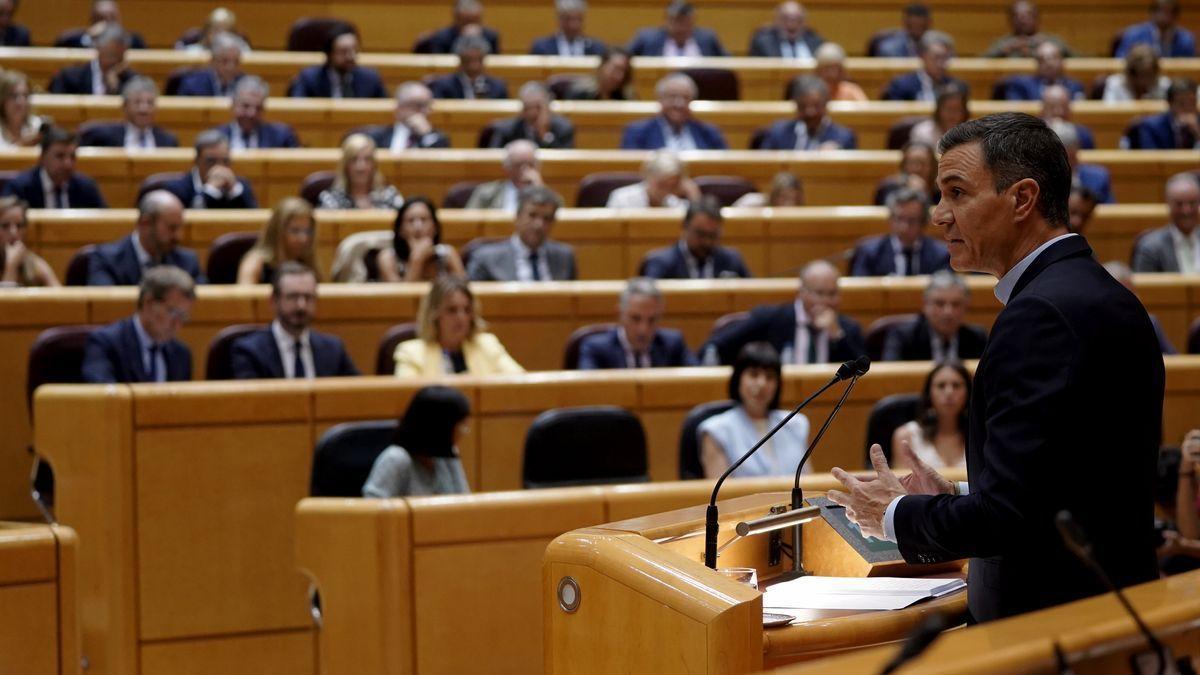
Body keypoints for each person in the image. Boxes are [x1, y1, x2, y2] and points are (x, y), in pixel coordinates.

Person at [827, 112, 1165, 623]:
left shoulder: (1040, 315)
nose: (939, 215)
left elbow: (1010, 519)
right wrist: (958, 495)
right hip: (1109, 610)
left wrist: (893, 515)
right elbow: (1070, 484)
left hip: (1051, 626)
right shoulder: (1103, 294)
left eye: (957, 193)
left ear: (1022, 199)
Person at [705, 259, 865, 365]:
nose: (826, 301)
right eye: (819, 293)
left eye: (832, 294)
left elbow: (864, 377)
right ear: (801, 292)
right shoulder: (770, 319)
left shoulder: (848, 330)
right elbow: (718, 345)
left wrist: (837, 337)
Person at [699, 342, 810, 479]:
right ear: (738, 379)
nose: (761, 384)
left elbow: (807, 483)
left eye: (769, 377)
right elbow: (720, 496)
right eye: (753, 374)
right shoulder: (716, 431)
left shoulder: (796, 424)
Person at [230, 262, 359, 379]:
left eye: (308, 297)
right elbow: (250, 402)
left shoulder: (333, 349)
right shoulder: (249, 351)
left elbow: (356, 395)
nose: (301, 306)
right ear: (273, 301)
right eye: (293, 297)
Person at [81, 265, 195, 383]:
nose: (177, 324)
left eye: (183, 316)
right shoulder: (105, 344)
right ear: (148, 303)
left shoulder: (181, 354)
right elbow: (104, 395)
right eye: (172, 312)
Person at [393, 275, 524, 376]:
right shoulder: (411, 354)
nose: (461, 318)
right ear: (434, 314)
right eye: (452, 310)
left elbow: (519, 384)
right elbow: (406, 400)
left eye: (467, 310)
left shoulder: (487, 345)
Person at [362, 386, 472, 498]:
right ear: (441, 427)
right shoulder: (396, 459)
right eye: (461, 425)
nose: (465, 431)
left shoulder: (449, 454)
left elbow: (465, 501)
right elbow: (373, 508)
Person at [577, 277, 697, 369]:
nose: (643, 329)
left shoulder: (673, 345)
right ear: (619, 314)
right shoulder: (596, 349)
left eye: (652, 320)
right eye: (635, 319)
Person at [87, 190, 203, 285]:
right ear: (145, 223)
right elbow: (105, 307)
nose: (178, 236)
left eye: (180, 228)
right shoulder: (106, 260)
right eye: (172, 228)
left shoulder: (187, 262)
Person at [467, 186, 577, 281]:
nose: (538, 225)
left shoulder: (565, 257)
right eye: (532, 215)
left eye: (547, 218)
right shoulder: (486, 259)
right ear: (517, 217)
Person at [881, 271, 988, 361]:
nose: (948, 312)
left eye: (956, 304)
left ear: (966, 307)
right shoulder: (902, 337)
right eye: (940, 303)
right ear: (925, 305)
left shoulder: (977, 338)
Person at [639, 196, 751, 280]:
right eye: (700, 234)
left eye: (713, 235)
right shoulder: (660, 263)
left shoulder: (731, 260)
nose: (707, 242)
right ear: (684, 227)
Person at [851, 186, 950, 277]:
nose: (904, 227)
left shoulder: (940, 255)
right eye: (899, 219)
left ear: (923, 222)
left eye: (912, 220)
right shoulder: (869, 253)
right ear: (890, 219)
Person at [891, 362, 970, 470]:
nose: (949, 392)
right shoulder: (905, 436)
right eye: (941, 386)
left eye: (956, 386)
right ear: (929, 393)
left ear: (969, 393)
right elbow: (899, 486)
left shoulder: (982, 435)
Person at [2, 127, 107, 208]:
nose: (68, 164)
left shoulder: (86, 188)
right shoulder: (20, 188)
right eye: (60, 156)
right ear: (42, 158)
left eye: (72, 157)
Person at [620, 74, 727, 151]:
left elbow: (724, 168)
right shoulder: (637, 132)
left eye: (685, 98)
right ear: (660, 100)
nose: (679, 104)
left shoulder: (709, 132)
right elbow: (630, 171)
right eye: (672, 97)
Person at [376, 196, 466, 282]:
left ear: (435, 227)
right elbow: (398, 297)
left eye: (424, 220)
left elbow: (464, 292)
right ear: (400, 230)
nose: (418, 227)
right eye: (410, 221)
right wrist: (417, 259)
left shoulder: (447, 255)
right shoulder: (388, 259)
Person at [161, 130, 258, 209]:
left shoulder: (241, 186)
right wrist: (210, 191)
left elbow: (253, 220)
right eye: (211, 161)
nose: (219, 167)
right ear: (196, 161)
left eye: (225, 161)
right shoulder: (177, 189)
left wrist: (234, 192)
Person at [237, 197, 321, 285]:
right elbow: (245, 297)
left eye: (308, 231)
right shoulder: (255, 265)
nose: (303, 238)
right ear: (278, 231)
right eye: (295, 231)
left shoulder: (308, 262)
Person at [759, 75, 857, 151]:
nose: (810, 112)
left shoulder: (844, 137)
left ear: (826, 104)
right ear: (796, 105)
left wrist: (837, 154)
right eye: (803, 106)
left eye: (816, 106)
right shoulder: (778, 133)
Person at [78, 77, 179, 149]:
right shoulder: (102, 137)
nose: (144, 109)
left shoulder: (168, 141)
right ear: (125, 107)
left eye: (150, 103)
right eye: (137, 102)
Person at [287, 25, 386, 99]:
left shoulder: (371, 79)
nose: (350, 56)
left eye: (354, 50)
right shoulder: (309, 79)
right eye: (343, 52)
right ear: (329, 54)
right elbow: (297, 109)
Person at [1102, 260, 1177, 354]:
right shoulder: (1095, 328)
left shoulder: (1150, 322)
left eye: (1133, 292)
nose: (1135, 299)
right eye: (1125, 295)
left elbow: (1173, 357)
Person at [1131, 172, 1200, 273]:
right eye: (1179, 204)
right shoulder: (1150, 246)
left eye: (1192, 203)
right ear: (1168, 204)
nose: (1186, 211)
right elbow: (1143, 287)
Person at [208, 76, 301, 149]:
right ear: (233, 105)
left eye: (258, 108)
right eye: (246, 106)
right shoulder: (215, 137)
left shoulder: (282, 137)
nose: (251, 113)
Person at [317, 134, 404, 210]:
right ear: (345, 165)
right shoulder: (330, 199)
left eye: (367, 159)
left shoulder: (390, 197)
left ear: (374, 164)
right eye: (354, 159)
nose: (361, 167)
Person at [48, 24, 138, 95]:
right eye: (111, 55)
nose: (114, 61)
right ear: (98, 48)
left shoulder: (131, 80)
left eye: (120, 57)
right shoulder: (69, 77)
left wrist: (115, 88)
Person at [487, 81, 575, 149]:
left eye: (537, 107)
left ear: (547, 107)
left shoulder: (564, 129)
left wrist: (544, 136)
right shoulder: (506, 130)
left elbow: (564, 165)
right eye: (527, 108)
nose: (532, 113)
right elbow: (495, 160)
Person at [882, 31, 967, 102]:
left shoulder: (957, 87)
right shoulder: (902, 86)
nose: (941, 63)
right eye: (936, 57)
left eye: (945, 58)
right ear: (922, 56)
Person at [366, 82, 450, 151]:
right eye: (418, 105)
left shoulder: (438, 140)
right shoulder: (375, 137)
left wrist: (426, 135)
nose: (426, 111)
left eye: (428, 106)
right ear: (400, 108)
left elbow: (438, 166)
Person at [628, 1, 728, 57]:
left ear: (693, 22)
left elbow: (729, 62)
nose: (680, 28)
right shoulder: (647, 38)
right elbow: (625, 57)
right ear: (665, 21)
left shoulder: (707, 38)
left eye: (685, 22)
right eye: (675, 21)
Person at [465, 139, 542, 211]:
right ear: (507, 167)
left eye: (531, 165)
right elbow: (468, 221)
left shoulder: (545, 193)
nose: (525, 170)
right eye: (519, 165)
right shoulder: (486, 194)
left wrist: (539, 190)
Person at [606, 150, 699, 208]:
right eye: (661, 185)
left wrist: (693, 193)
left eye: (673, 187)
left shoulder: (674, 204)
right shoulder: (621, 199)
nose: (666, 192)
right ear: (648, 176)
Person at [1049, 120, 1113, 205]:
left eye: (1069, 147)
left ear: (1076, 148)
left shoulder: (1098, 178)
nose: (1064, 155)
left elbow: (1110, 213)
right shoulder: (1039, 180)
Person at [428, 34, 509, 100]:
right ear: (460, 59)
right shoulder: (444, 86)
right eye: (469, 60)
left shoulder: (498, 87)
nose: (474, 65)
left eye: (478, 59)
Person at [0, 197, 58, 287]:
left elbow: (60, 299)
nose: (13, 232)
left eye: (19, 226)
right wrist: (11, 267)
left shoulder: (36, 266)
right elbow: (5, 301)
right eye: (5, 226)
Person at [983, 0, 1073, 58]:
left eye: (1027, 16)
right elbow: (982, 61)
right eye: (1018, 17)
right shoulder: (1003, 42)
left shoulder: (1051, 40)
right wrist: (1005, 50)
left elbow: (1077, 58)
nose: (1022, 21)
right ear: (1010, 20)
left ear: (1037, 18)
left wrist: (1042, 48)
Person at [1127, 78, 1199, 150]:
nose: (1188, 108)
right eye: (1182, 104)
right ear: (1170, 104)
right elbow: (1150, 157)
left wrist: (1197, 132)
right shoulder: (1151, 127)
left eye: (1192, 103)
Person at [998, 41, 1084, 101]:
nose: (1049, 63)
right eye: (1043, 59)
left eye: (1054, 58)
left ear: (1062, 61)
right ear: (1037, 64)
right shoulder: (1022, 86)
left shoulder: (1074, 86)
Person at [175, 31, 246, 97]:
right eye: (224, 61)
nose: (230, 67)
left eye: (236, 62)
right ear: (213, 61)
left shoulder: (245, 83)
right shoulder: (192, 85)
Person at [1115, 0, 1195, 58]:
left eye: (1170, 12)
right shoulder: (1133, 35)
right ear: (1152, 13)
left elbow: (1189, 65)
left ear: (1176, 16)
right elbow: (1120, 61)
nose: (1165, 17)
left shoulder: (1186, 39)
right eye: (1161, 11)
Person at [418, 0, 501, 54]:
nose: (470, 25)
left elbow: (495, 64)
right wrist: (462, 39)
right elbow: (440, 64)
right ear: (456, 19)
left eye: (474, 21)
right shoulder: (441, 37)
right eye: (466, 21)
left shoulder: (490, 36)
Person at [56, 0, 146, 49]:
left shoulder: (133, 40)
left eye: (112, 18)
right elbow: (61, 42)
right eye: (101, 18)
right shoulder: (76, 40)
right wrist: (88, 34)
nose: (107, 24)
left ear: (119, 19)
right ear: (92, 20)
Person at [874, 141, 939, 206]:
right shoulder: (888, 188)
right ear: (904, 165)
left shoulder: (940, 190)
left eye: (923, 163)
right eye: (912, 163)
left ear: (932, 166)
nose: (918, 168)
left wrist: (924, 193)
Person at [749, 1, 823, 58]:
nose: (791, 25)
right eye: (785, 19)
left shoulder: (817, 43)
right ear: (776, 21)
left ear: (804, 23)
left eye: (798, 20)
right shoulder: (763, 44)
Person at [530, 0, 605, 56]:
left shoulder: (596, 48)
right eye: (568, 19)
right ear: (559, 20)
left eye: (578, 19)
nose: (574, 25)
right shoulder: (542, 47)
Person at [907, 83, 969, 148]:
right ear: (938, 110)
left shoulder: (973, 133)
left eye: (957, 109)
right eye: (948, 109)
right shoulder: (921, 132)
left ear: (965, 111)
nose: (952, 114)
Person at [1102, 44, 1170, 102]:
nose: (1144, 81)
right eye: (1141, 75)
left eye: (1149, 75)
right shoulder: (1115, 85)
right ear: (1130, 73)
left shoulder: (1164, 86)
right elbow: (1108, 114)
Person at [562, 48, 634, 101]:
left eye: (624, 71)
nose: (619, 76)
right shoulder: (579, 94)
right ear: (602, 66)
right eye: (615, 69)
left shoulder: (625, 98)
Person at [1040, 83, 1095, 149]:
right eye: (1052, 107)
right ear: (1043, 111)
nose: (1059, 112)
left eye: (1064, 107)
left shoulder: (1083, 135)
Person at [0, 70, 45, 149]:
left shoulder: (37, 126)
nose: (20, 102)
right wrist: (21, 145)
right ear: (3, 100)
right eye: (14, 96)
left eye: (25, 96)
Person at [175, 7, 241, 51]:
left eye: (226, 31)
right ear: (207, 31)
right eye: (216, 30)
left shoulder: (241, 49)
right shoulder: (193, 53)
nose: (220, 36)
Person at [732, 172, 805, 208]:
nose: (789, 204)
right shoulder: (751, 203)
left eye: (794, 199)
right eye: (784, 197)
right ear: (774, 195)